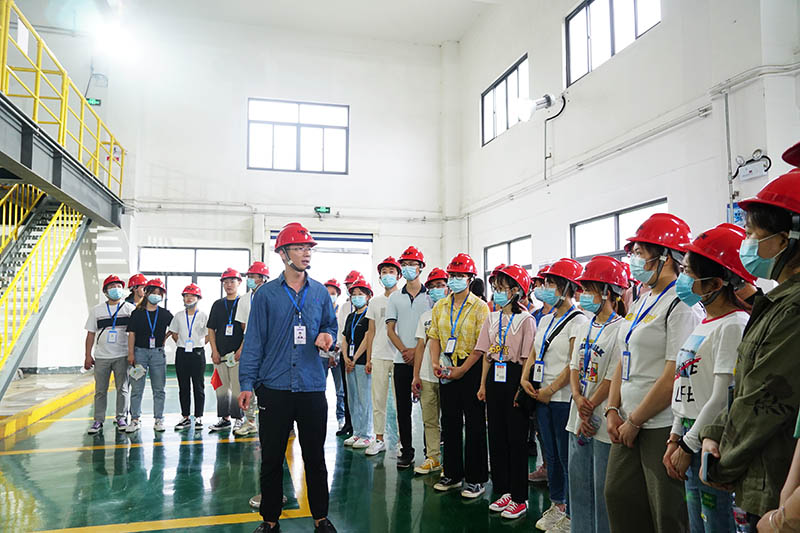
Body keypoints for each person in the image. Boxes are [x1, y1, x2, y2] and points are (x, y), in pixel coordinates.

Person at [700, 166, 800, 529]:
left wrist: (725, 462)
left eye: (753, 234)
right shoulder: (777, 301)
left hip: (776, 480)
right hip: (762, 473)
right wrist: (714, 432)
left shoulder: (794, 308)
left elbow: (766, 396)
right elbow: (747, 387)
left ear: (786, 240)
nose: (747, 243)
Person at [604, 213, 704, 533]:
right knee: (619, 495)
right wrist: (611, 408)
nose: (635, 260)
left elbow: (674, 371)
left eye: (641, 253)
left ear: (666, 258)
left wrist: (636, 420)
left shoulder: (682, 305)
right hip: (626, 416)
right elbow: (625, 353)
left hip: (659, 423)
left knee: (666, 511)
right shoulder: (642, 299)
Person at [239, 222, 338, 533]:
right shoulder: (266, 295)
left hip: (311, 387)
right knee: (271, 459)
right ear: (283, 254)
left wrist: (327, 335)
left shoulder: (321, 293)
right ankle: (270, 520)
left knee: (315, 458)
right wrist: (246, 384)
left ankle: (321, 517)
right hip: (275, 388)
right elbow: (254, 341)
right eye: (299, 247)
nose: (306, 253)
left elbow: (331, 326)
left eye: (309, 248)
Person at [661, 223, 754, 532]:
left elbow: (721, 396)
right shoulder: (704, 322)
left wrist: (687, 446)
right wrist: (675, 435)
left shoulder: (734, 325)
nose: (683, 278)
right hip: (687, 434)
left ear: (715, 282)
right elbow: (685, 384)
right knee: (697, 520)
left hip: (710, 441)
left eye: (689, 271)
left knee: (717, 521)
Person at [520, 258, 589, 532]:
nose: (545, 288)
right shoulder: (545, 318)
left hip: (561, 399)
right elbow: (536, 352)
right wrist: (525, 378)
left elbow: (573, 362)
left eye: (551, 283)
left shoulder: (579, 321)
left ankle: (571, 514)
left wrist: (550, 390)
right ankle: (557, 503)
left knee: (564, 456)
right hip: (540, 396)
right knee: (550, 454)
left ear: (566, 287)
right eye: (545, 282)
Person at [567, 256, 629, 533]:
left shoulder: (622, 328)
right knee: (578, 487)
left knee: (603, 491)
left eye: (590, 289)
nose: (584, 296)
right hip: (577, 416)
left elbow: (612, 375)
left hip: (603, 420)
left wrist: (590, 405)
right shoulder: (582, 325)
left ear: (607, 292)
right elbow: (572, 367)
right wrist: (579, 400)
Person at [428, 253, 490, 499]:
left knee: (474, 424)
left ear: (470, 278)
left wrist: (463, 370)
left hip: (470, 367)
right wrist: (435, 361)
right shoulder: (440, 305)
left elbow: (482, 345)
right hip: (446, 365)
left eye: (460, 276)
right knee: (450, 422)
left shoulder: (480, 307)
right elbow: (434, 335)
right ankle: (452, 473)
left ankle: (476, 479)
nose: (455, 280)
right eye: (452, 275)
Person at [477, 264, 536, 520]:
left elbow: (527, 360)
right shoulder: (491, 317)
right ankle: (502, 490)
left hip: (515, 378)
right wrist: (482, 385)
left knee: (516, 440)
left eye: (502, 289)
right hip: (494, 379)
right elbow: (485, 356)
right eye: (495, 289)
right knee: (497, 437)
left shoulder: (527, 320)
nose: (497, 294)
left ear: (516, 291)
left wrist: (520, 391)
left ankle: (519, 497)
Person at [387, 246, 433, 468]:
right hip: (401, 361)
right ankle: (407, 450)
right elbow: (389, 330)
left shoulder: (431, 296)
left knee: (429, 407)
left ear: (421, 267)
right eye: (403, 265)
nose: (407, 269)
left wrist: (418, 352)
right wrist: (406, 351)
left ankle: (430, 451)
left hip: (426, 360)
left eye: (411, 264)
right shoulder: (395, 297)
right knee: (403, 409)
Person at [84, 275, 136, 434]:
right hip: (101, 357)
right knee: (100, 390)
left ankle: (121, 418)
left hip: (122, 355)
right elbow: (91, 334)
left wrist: (133, 354)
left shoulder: (129, 309)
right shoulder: (97, 310)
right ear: (106, 292)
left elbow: (134, 333)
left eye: (118, 286)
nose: (116, 289)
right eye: (112, 287)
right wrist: (87, 355)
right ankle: (98, 420)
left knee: (123, 389)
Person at [411, 267, 448, 475]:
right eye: (432, 287)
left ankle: (451, 462)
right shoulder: (425, 316)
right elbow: (420, 347)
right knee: (430, 420)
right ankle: (433, 457)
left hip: (448, 375)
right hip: (426, 376)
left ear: (447, 288)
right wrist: (416, 375)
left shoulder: (453, 312)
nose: (436, 290)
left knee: (450, 421)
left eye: (440, 286)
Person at [364, 258, 401, 456]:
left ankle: (404, 441)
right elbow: (371, 331)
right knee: (378, 399)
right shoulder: (375, 302)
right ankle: (379, 439)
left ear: (399, 275)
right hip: (378, 355)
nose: (387, 275)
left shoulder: (404, 299)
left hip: (399, 357)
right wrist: (369, 358)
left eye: (391, 271)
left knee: (399, 401)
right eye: (384, 271)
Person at [126, 278, 173, 434]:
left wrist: (163, 339)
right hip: (139, 353)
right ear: (146, 293)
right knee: (137, 388)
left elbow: (174, 328)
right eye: (153, 292)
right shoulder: (137, 313)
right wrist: (131, 353)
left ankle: (159, 419)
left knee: (159, 389)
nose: (156, 296)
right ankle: (135, 419)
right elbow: (131, 334)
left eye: (159, 293)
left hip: (158, 354)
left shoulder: (165, 314)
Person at [234, 261, 269, 438]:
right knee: (248, 383)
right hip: (251, 344)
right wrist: (244, 347)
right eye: (249, 277)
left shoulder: (272, 296)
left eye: (253, 277)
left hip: (269, 347)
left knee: (267, 385)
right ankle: (249, 422)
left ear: (263, 279)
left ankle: (269, 421)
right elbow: (243, 326)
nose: (250, 280)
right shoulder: (244, 300)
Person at [207, 268, 244, 433]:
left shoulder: (243, 303)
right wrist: (214, 351)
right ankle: (224, 418)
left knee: (237, 388)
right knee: (221, 389)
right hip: (220, 355)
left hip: (237, 355)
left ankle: (239, 419)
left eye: (232, 281)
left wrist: (241, 350)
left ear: (239, 283)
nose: (228, 285)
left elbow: (248, 329)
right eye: (225, 282)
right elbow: (211, 329)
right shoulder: (217, 304)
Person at [170, 284, 209, 431]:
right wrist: (183, 344)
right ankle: (185, 416)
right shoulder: (179, 315)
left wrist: (197, 345)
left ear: (198, 298)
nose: (189, 298)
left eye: (192, 295)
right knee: (183, 386)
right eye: (186, 295)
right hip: (181, 354)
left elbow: (208, 335)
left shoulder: (203, 316)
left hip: (198, 353)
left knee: (198, 386)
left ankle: (199, 416)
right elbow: (174, 333)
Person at [342, 277, 374, 450]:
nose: (356, 297)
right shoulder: (350, 316)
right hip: (349, 363)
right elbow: (346, 337)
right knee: (353, 398)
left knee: (365, 398)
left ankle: (367, 434)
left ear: (368, 296)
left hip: (361, 361)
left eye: (360, 294)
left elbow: (368, 337)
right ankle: (357, 432)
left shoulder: (369, 315)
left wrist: (354, 359)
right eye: (353, 294)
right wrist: (346, 357)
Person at [528, 264, 552, 484]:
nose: (540, 288)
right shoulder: (536, 316)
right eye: (537, 284)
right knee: (540, 428)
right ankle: (545, 467)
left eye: (545, 284)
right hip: (535, 377)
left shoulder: (570, 317)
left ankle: (556, 473)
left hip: (555, 384)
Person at [336, 269, 362, 437]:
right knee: (347, 392)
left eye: (353, 285)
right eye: (348, 286)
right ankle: (349, 423)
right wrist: (342, 354)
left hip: (361, 355)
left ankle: (362, 428)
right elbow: (341, 332)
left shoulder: (369, 306)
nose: (350, 288)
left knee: (362, 394)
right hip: (346, 353)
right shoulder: (346, 307)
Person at [323, 278, 349, 433]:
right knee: (319, 388)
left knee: (340, 391)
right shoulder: (319, 310)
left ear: (338, 294)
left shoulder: (342, 311)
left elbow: (341, 334)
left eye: (333, 293)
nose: (330, 296)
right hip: (322, 356)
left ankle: (341, 418)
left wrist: (335, 354)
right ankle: (321, 418)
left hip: (338, 356)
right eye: (327, 293)